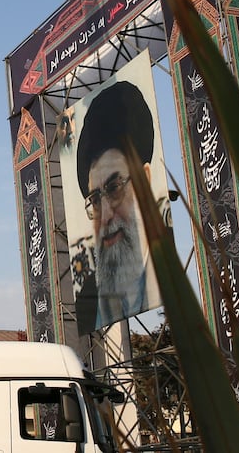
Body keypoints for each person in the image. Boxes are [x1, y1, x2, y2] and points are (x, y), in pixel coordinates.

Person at [73, 79, 158, 331]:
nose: (106, 214)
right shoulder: (90, 303)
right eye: (96, 199)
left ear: (144, 180)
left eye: (114, 188)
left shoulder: (169, 275)